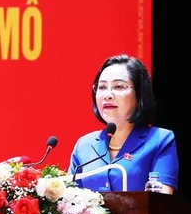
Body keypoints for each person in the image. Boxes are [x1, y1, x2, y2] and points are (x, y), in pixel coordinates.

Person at [68, 54, 179, 194]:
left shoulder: (160, 140)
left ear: (139, 94)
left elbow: (161, 203)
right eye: (102, 87)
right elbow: (68, 203)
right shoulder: (84, 145)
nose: (107, 95)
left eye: (119, 86)